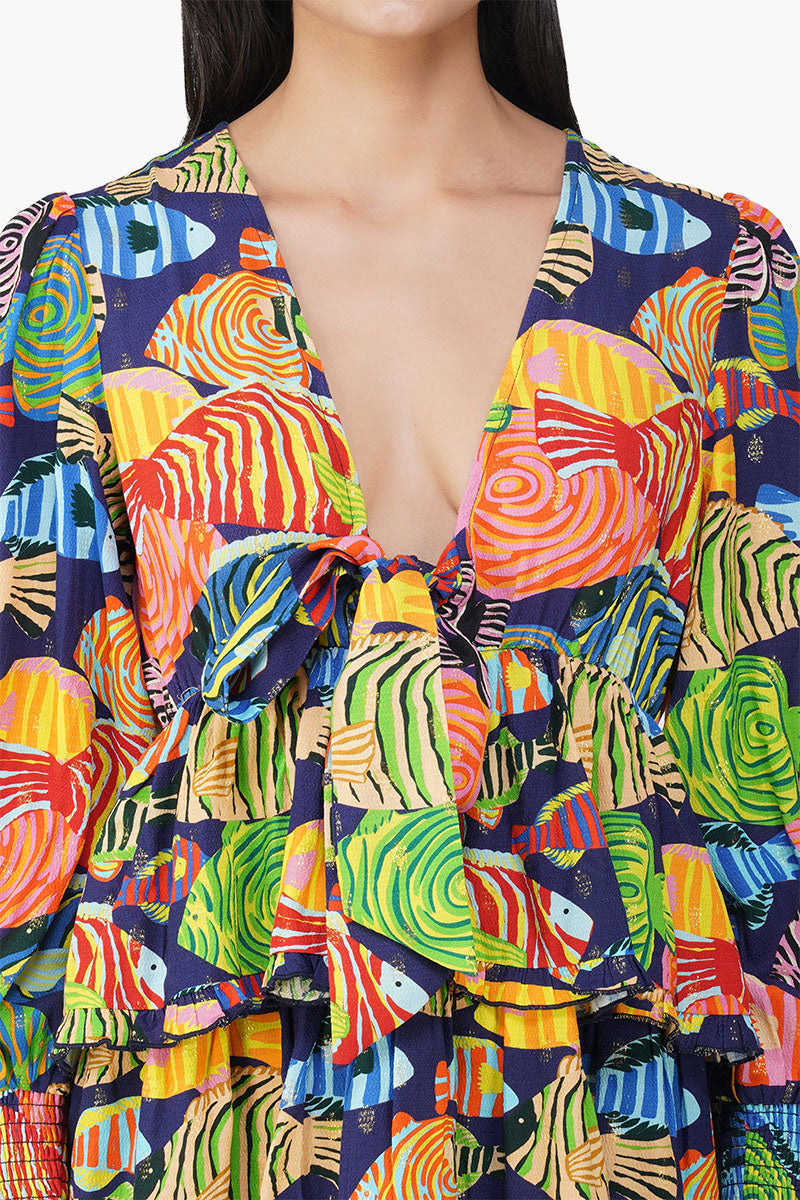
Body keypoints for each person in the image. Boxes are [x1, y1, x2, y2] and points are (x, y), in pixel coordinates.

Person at [0, 1, 797, 1196]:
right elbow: (40, 757)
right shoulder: (85, 267)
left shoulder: (713, 272)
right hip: (206, 1113)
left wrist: (776, 1145)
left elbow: (763, 787)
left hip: (601, 1117)